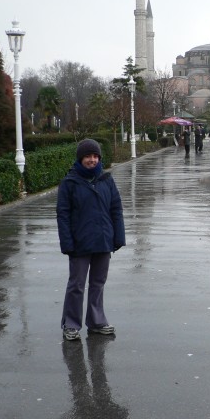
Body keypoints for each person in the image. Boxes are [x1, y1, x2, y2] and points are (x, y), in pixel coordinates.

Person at [57, 139, 125, 341]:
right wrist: (67, 243)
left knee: (98, 283)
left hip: (104, 240)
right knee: (76, 284)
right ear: (80, 158)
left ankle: (96, 322)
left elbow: (116, 209)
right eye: (88, 156)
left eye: (95, 156)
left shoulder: (106, 180)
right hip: (80, 243)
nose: (92, 160)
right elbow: (63, 214)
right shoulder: (69, 183)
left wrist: (118, 236)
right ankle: (71, 324)